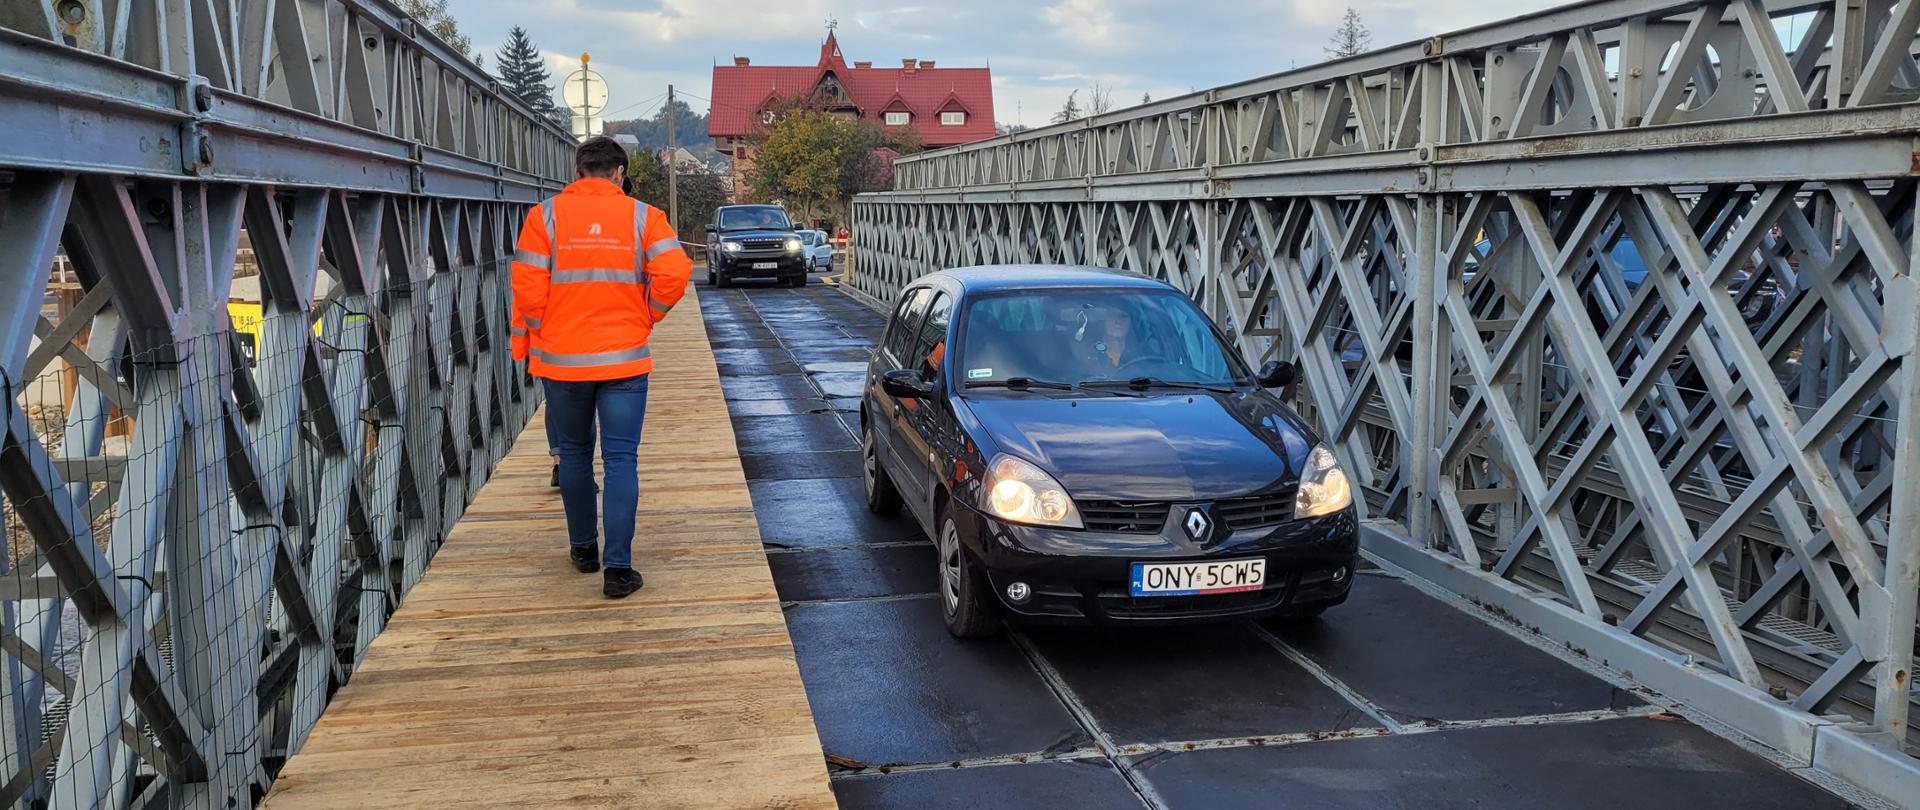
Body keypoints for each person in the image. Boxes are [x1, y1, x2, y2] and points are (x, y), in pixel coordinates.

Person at [510, 136, 693, 599]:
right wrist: (648, 314)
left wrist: (546, 330)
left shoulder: (544, 217)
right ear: (619, 173)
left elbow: (527, 288)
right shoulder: (644, 216)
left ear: (577, 173)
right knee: (620, 459)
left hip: (562, 362)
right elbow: (675, 273)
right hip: (623, 359)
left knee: (573, 453)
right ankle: (618, 570)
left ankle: (584, 550)